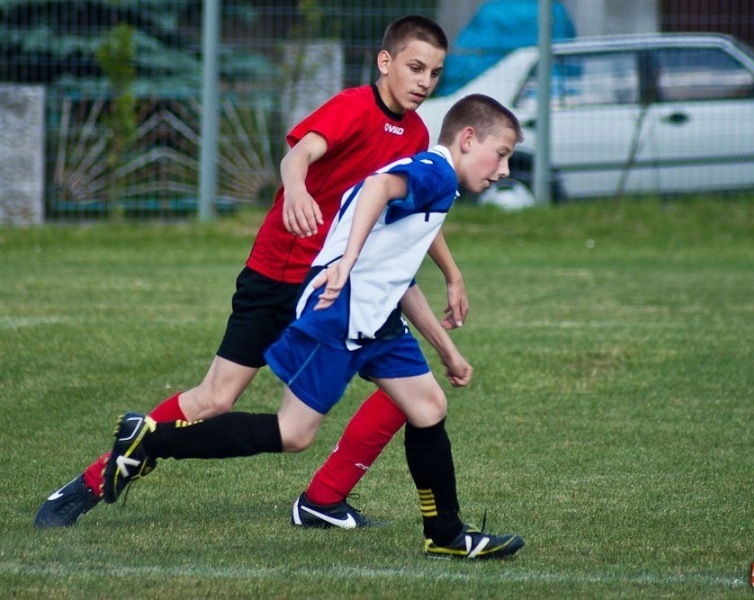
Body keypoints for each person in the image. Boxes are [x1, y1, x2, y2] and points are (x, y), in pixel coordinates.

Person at [35, 15, 463, 529]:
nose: (424, 82)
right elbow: (299, 154)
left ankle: (323, 501)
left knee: (412, 394)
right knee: (214, 398)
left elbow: (414, 212)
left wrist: (452, 274)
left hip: (340, 289)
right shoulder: (352, 107)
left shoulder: (415, 133)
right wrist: (299, 189)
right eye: (415, 68)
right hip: (282, 277)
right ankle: (93, 479)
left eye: (434, 74)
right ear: (385, 62)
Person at [102, 94, 525, 559]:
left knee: (428, 406)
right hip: (340, 310)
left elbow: (397, 272)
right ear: (468, 139)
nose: (503, 169)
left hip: (377, 316)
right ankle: (152, 439)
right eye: (501, 154)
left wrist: (447, 350)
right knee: (294, 433)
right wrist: (345, 261)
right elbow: (376, 188)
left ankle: (445, 535)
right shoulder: (436, 171)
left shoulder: (436, 178)